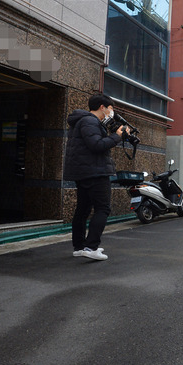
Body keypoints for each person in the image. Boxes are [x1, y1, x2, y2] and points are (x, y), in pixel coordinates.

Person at [64, 93, 129, 261]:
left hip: (86, 172)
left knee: (83, 210)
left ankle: (79, 247)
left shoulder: (85, 121)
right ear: (102, 107)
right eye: (111, 108)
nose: (111, 112)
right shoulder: (89, 121)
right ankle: (91, 247)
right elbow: (97, 145)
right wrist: (117, 136)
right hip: (94, 172)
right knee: (103, 208)